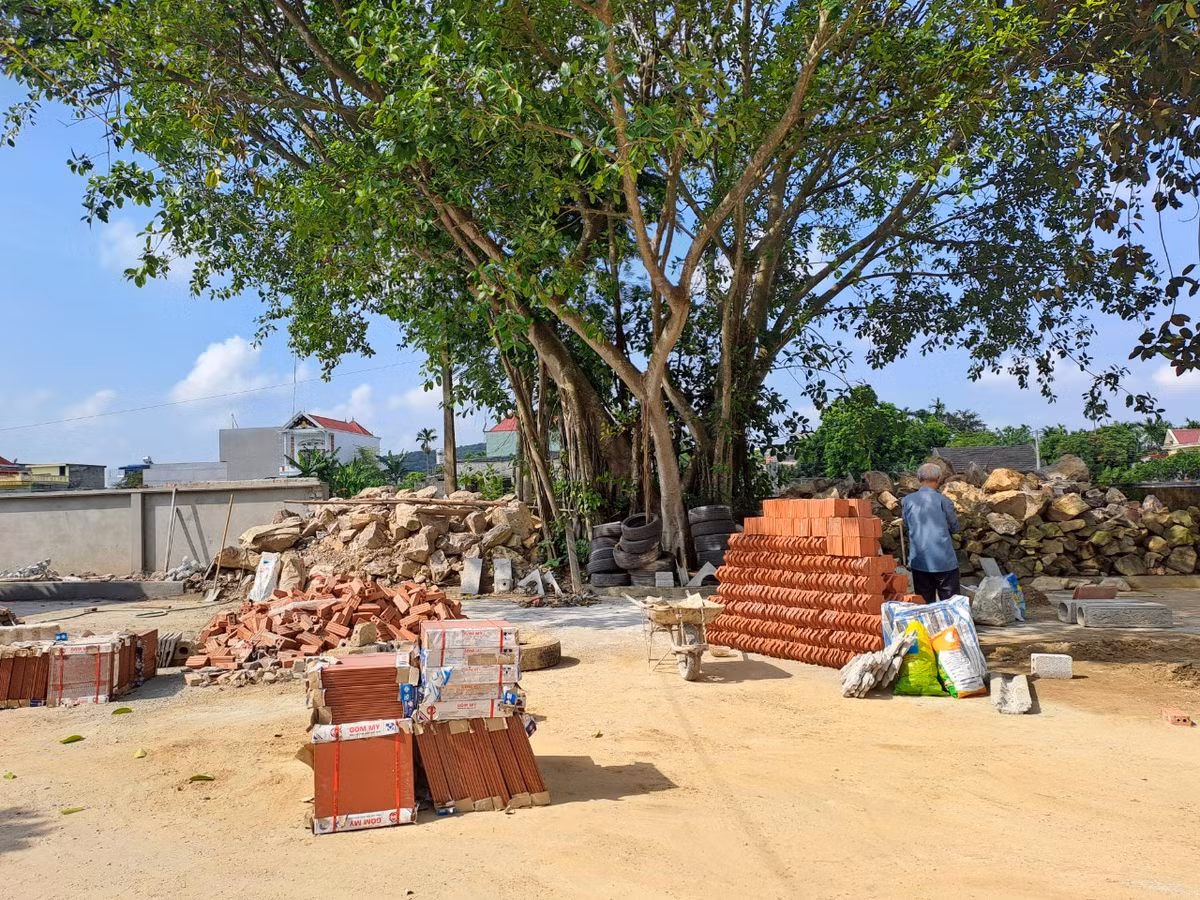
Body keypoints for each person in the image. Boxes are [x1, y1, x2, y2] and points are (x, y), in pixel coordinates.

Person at [901, 462, 961, 603]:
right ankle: (950, 625)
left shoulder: (907, 501)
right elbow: (955, 527)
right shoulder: (944, 501)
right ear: (939, 478)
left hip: (919, 560)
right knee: (950, 603)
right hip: (944, 560)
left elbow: (906, 524)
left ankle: (927, 625)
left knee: (924, 601)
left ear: (919, 478)